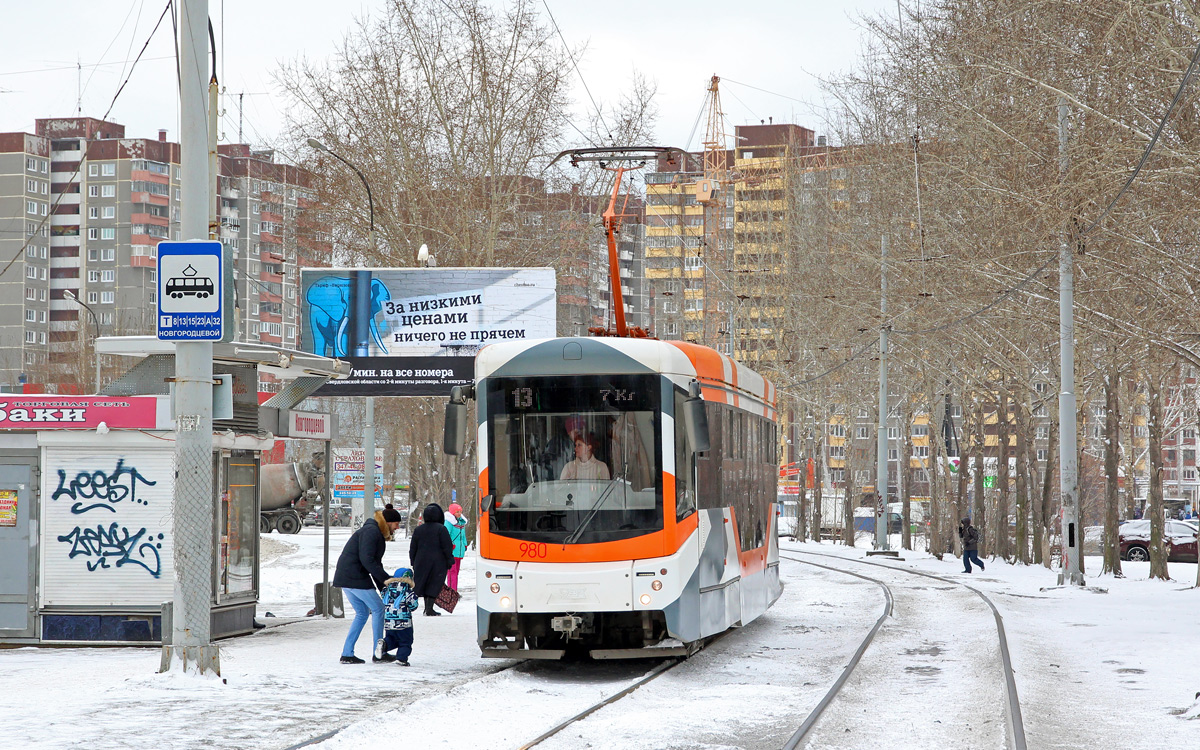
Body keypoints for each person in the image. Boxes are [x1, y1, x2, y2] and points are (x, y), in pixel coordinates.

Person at [333, 507, 402, 663]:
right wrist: (386, 580)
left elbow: (374, 563)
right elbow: (368, 561)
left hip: (346, 577)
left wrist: (384, 585)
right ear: (388, 522)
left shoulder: (372, 531)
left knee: (363, 613)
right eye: (396, 524)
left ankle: (347, 653)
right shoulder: (371, 532)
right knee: (378, 609)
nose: (397, 527)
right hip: (355, 577)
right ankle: (379, 653)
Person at [409, 503, 454, 616]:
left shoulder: (419, 529)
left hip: (421, 561)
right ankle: (429, 608)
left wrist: (413, 561)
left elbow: (413, 547)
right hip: (438, 562)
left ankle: (427, 608)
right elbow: (447, 546)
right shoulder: (441, 529)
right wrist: (449, 560)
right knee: (434, 583)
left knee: (424, 583)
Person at [375, 567, 419, 666]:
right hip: (404, 623)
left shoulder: (386, 590)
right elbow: (413, 605)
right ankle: (401, 659)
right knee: (405, 641)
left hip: (389, 623)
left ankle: (384, 644)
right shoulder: (407, 592)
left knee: (392, 639)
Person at [444, 502, 469, 591]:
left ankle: (454, 590)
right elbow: (446, 535)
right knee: (452, 572)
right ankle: (452, 590)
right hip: (452, 550)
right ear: (452, 513)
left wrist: (465, 544)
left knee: (456, 572)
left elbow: (463, 536)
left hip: (459, 550)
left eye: (460, 511)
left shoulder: (461, 523)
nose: (459, 513)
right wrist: (450, 545)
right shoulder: (449, 523)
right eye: (457, 511)